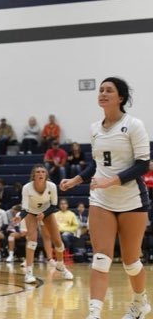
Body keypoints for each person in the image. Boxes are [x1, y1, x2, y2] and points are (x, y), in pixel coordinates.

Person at [60, 77, 151, 319]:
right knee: (101, 259)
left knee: (131, 261)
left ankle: (140, 303)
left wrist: (112, 180)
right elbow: (97, 164)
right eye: (100, 90)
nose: (102, 93)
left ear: (120, 97)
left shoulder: (134, 125)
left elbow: (143, 165)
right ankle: (94, 314)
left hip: (132, 201)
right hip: (101, 200)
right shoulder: (94, 128)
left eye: (108, 90)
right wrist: (76, 180)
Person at [16, 164, 73, 283]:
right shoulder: (27, 187)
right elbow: (25, 208)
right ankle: (29, 273)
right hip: (31, 212)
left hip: (47, 212)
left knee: (58, 242)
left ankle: (60, 265)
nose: (40, 174)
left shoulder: (51, 186)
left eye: (43, 171)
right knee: (32, 241)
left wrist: (44, 213)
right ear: (33, 175)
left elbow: (54, 205)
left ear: (46, 174)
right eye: (38, 172)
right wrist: (19, 217)